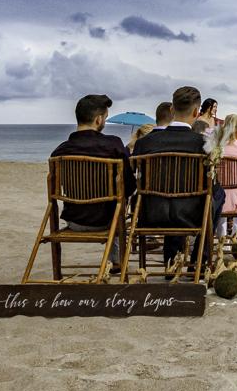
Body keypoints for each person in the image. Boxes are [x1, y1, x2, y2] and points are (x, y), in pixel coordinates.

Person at [132, 86, 225, 269]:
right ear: (197, 112)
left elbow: (136, 177)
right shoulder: (203, 144)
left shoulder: (144, 143)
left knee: (171, 195)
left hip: (151, 215)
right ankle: (200, 259)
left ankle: (171, 261)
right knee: (217, 193)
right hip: (192, 216)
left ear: (172, 110)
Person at [49, 93, 136, 267]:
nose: (104, 122)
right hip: (106, 222)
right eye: (105, 118)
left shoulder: (60, 151)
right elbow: (130, 186)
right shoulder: (113, 145)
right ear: (98, 120)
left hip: (74, 221)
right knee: (121, 198)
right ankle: (118, 262)